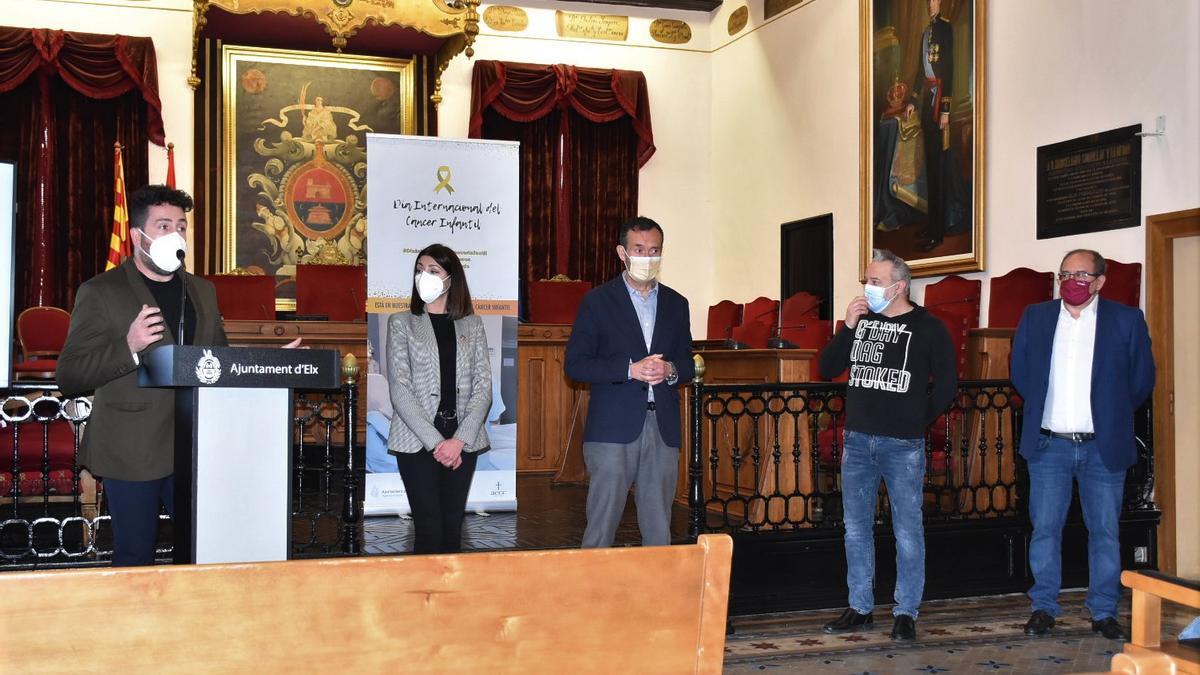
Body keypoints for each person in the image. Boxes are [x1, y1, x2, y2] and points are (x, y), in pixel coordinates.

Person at [57, 185, 233, 566]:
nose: (176, 235)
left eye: (182, 226)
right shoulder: (100, 292)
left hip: (194, 446)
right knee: (135, 556)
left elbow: (220, 359)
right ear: (138, 236)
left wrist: (264, 367)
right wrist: (129, 347)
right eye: (164, 225)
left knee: (201, 553)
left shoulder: (203, 291)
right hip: (130, 448)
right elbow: (69, 375)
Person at [1012, 249, 1154, 641]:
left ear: (1100, 281)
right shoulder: (1036, 317)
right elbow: (1020, 371)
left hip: (1102, 447)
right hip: (1050, 445)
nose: (1072, 281)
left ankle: (1104, 610)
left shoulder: (1126, 321)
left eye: (1081, 274)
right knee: (1045, 530)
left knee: (1105, 531)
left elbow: (1141, 379)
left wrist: (1111, 414)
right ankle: (1043, 607)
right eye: (1065, 274)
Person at [818, 248, 957, 642]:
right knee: (856, 528)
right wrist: (846, 326)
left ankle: (906, 611)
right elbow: (826, 368)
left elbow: (946, 386)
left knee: (907, 530)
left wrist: (916, 419)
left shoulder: (929, 328)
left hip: (903, 444)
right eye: (866, 280)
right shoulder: (860, 323)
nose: (867, 288)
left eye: (874, 282)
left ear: (899, 286)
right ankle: (860, 606)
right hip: (858, 440)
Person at [564, 216, 694, 548]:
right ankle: (592, 594)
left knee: (659, 527)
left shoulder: (677, 304)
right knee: (602, 525)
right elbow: (576, 365)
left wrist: (670, 371)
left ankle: (657, 595)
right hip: (612, 428)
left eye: (655, 251)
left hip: (662, 426)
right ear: (622, 252)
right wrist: (629, 370)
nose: (647, 257)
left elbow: (687, 363)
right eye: (639, 249)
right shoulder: (597, 301)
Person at [386, 244, 491, 554]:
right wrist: (437, 443)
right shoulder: (402, 322)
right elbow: (400, 390)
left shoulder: (472, 325)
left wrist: (458, 441)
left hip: (463, 440)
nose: (424, 276)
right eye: (419, 270)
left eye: (432, 271)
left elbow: (483, 387)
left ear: (451, 279)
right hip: (418, 441)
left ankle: (450, 600)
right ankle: (425, 599)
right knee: (428, 528)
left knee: (451, 528)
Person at [906, 0, 954, 252]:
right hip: (927, 103)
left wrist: (946, 109)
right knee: (931, 169)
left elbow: (950, 70)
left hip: (939, 107)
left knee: (939, 170)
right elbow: (919, 71)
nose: (929, 4)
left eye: (933, 0)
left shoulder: (945, 29)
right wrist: (913, 100)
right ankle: (932, 223)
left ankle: (938, 229)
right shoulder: (926, 32)